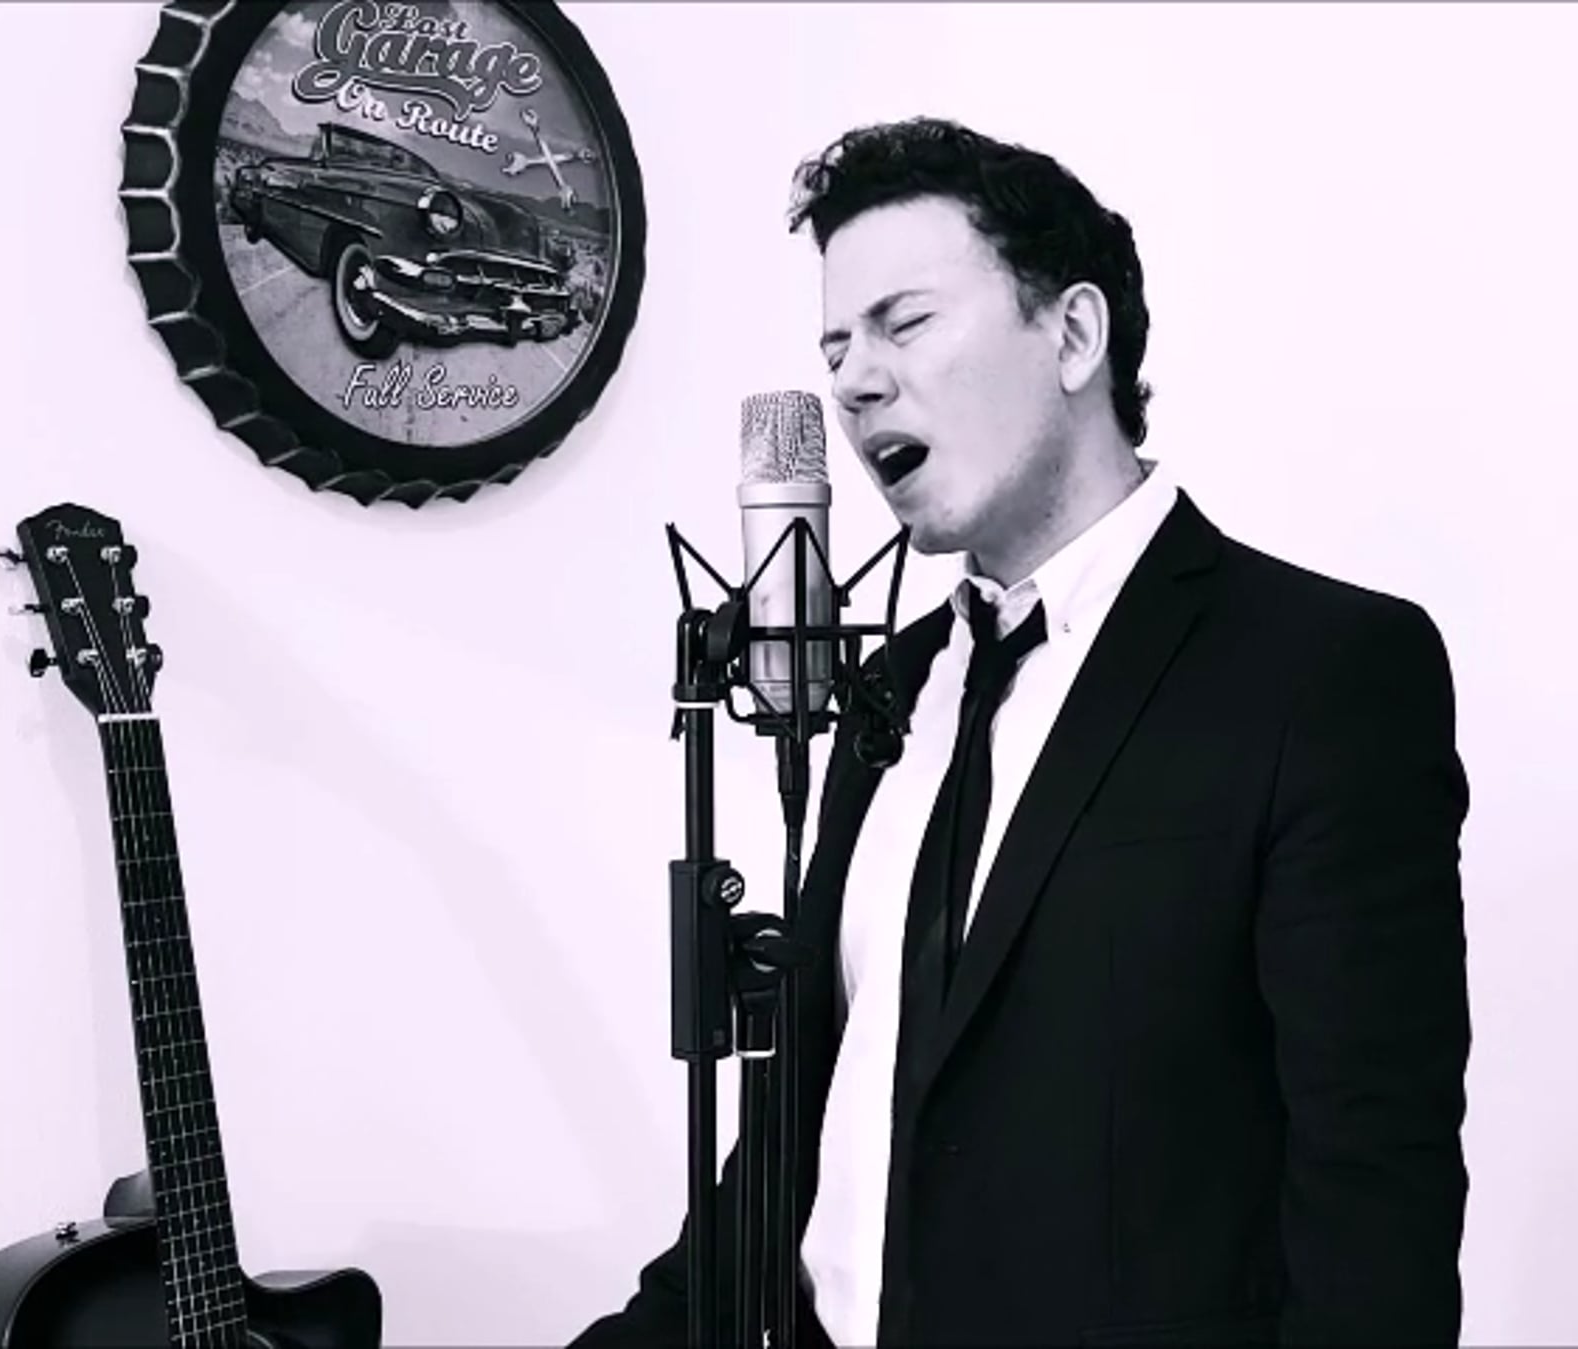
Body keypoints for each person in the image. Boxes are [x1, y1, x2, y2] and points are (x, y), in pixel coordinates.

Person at [572, 116, 1471, 1348]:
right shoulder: (890, 686)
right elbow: (795, 1135)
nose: (855, 381)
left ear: (1074, 335)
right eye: (836, 347)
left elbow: (1375, 1217)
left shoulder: (1320, 672)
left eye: (905, 322)